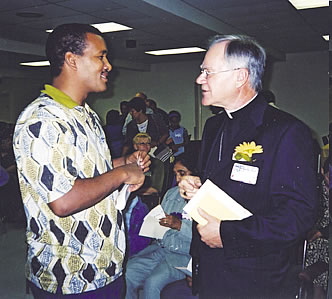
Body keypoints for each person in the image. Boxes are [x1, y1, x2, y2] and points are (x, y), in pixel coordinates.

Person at [13, 23, 150, 298]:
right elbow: (63, 200)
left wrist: (123, 162)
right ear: (71, 60)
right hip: (69, 278)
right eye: (101, 56)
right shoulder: (42, 120)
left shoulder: (85, 114)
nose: (108, 65)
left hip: (106, 266)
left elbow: (87, 172)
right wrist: (123, 174)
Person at [179, 35, 317, 299]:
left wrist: (228, 235)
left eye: (207, 72)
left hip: (255, 281)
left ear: (240, 76)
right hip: (209, 272)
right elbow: (227, 184)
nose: (199, 80)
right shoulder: (213, 126)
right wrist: (196, 185)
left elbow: (297, 216)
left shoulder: (285, 131)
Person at [125, 154, 197, 299]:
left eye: (182, 173)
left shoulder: (203, 199)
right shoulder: (171, 194)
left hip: (182, 257)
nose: (177, 179)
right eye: (175, 174)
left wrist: (179, 225)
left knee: (153, 284)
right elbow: (160, 224)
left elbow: (206, 237)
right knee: (129, 272)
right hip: (161, 249)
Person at [298, 157, 329, 299]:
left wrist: (322, 232)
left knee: (322, 284)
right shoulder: (316, 187)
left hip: (326, 238)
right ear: (323, 171)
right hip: (313, 239)